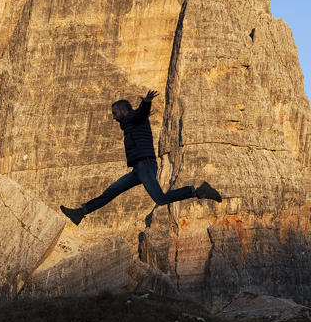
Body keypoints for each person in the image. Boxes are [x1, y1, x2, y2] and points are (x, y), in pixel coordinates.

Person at [60, 89, 221, 226]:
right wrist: (143, 114)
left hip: (145, 165)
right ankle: (80, 212)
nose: (113, 117)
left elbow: (139, 113)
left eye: (115, 113)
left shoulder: (133, 117)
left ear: (124, 111)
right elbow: (139, 116)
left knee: (160, 198)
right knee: (111, 191)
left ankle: (199, 191)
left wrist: (146, 103)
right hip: (138, 169)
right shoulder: (133, 121)